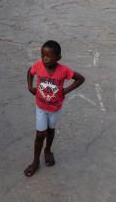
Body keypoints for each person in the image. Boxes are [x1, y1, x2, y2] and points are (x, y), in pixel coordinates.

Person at [24, 40, 85, 177]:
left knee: (51, 130)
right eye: (42, 55)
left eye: (49, 56)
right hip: (41, 107)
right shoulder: (38, 66)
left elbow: (80, 78)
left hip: (55, 108)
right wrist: (30, 86)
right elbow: (30, 72)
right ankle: (35, 162)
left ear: (58, 58)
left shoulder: (64, 70)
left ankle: (48, 151)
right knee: (40, 134)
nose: (45, 59)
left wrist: (66, 90)